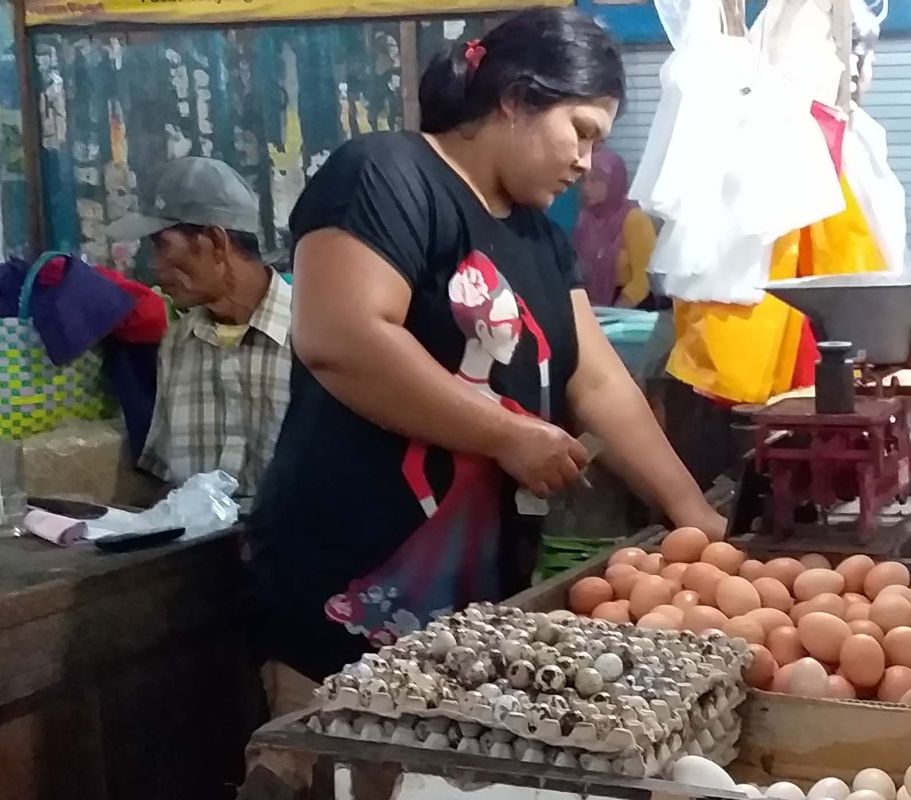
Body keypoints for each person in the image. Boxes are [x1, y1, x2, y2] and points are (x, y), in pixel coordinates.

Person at [247, 6, 726, 711]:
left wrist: (693, 516)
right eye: (581, 131)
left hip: (474, 609)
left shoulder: (537, 237)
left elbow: (596, 379)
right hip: (341, 581)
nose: (587, 161)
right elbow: (341, 338)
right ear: (514, 99)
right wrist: (507, 434)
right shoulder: (384, 175)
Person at [107, 157, 292, 502]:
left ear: (217, 243)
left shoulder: (312, 337)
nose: (154, 267)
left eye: (162, 246)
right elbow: (164, 479)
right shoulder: (177, 344)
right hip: (197, 552)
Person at [574, 146, 659, 308]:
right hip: (595, 306)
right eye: (584, 179)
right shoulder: (587, 220)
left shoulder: (634, 219)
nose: (586, 187)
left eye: (595, 180)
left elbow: (644, 279)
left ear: (614, 182)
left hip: (631, 309)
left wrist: (613, 311)